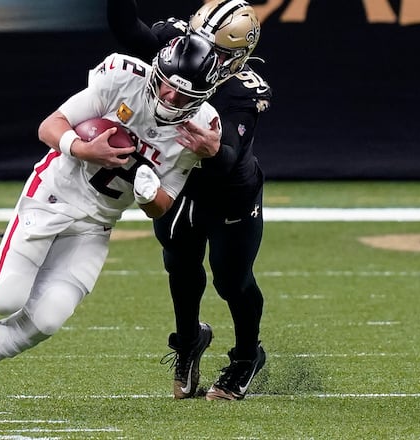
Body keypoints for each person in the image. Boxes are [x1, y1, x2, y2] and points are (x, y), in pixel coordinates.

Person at [0, 34, 223, 414]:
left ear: (201, 96)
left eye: (183, 95)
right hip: (52, 196)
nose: (169, 97)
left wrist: (149, 194)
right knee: (4, 298)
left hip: (97, 223)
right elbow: (51, 125)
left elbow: (162, 206)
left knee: (46, 319)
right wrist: (83, 149)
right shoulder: (122, 79)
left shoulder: (201, 128)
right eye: (166, 84)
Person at [107, 0, 272, 401]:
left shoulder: (243, 91)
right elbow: (128, 30)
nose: (205, 57)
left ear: (239, 56)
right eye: (201, 44)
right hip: (178, 183)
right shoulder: (176, 44)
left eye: (218, 53)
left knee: (231, 280)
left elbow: (227, 158)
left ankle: (247, 356)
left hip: (229, 193)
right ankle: (188, 341)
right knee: (179, 266)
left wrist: (213, 150)